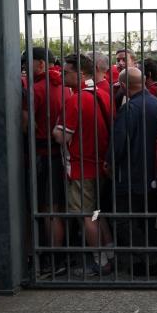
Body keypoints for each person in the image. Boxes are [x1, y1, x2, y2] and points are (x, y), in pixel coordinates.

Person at [53, 54, 114, 276]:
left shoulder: (75, 100)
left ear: (81, 74)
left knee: (86, 216)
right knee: (97, 212)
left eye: (66, 72)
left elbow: (62, 136)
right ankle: (109, 253)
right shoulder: (103, 95)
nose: (61, 75)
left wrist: (55, 129)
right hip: (100, 166)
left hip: (80, 168)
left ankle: (100, 261)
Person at [108, 67, 157, 274]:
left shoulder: (130, 108)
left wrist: (110, 164)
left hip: (130, 174)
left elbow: (118, 143)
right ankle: (153, 258)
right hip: (151, 172)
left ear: (123, 86)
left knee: (123, 219)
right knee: (147, 218)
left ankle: (149, 259)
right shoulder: (156, 103)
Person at [22, 47, 71, 278]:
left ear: (41, 64)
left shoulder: (34, 91)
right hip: (64, 155)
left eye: (27, 63)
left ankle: (52, 259)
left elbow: (25, 127)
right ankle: (60, 257)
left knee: (47, 209)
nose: (24, 67)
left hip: (42, 155)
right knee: (59, 208)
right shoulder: (66, 87)